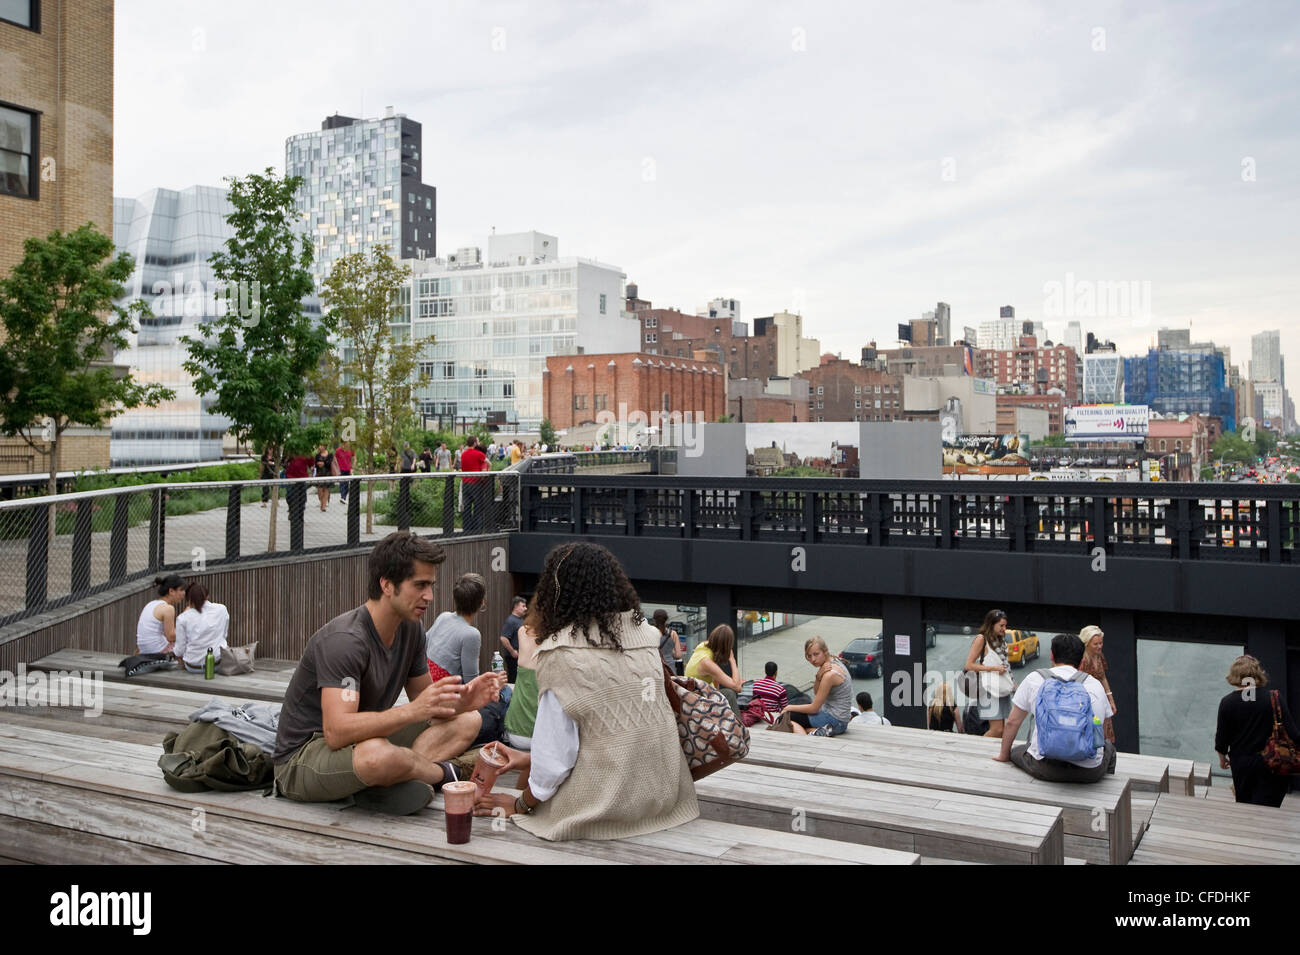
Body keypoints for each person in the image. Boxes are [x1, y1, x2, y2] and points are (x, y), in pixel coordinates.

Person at [471, 542, 699, 840]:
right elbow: (615, 737)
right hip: (664, 802)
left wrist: (519, 803)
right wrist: (528, 758)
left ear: (555, 592)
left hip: (600, 813)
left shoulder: (561, 653)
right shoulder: (647, 637)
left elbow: (555, 761)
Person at [271, 533, 505, 814]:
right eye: (420, 585)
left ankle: (383, 780)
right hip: (304, 758)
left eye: (430, 585)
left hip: (365, 740)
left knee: (467, 721)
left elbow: (429, 706)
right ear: (387, 585)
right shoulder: (346, 641)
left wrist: (466, 700)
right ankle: (444, 774)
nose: (429, 596)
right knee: (377, 756)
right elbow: (336, 732)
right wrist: (413, 712)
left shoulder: (410, 628)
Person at [995, 633, 1116, 783]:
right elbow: (1101, 733)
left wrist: (1004, 755)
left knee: (1017, 751)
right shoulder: (1095, 685)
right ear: (1081, 659)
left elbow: (1013, 722)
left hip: (1045, 767)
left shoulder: (1034, 678)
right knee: (1109, 748)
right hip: (1089, 773)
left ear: (1052, 655)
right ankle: (1109, 788)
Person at [1215, 655, 1300, 807]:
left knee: (1247, 808)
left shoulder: (1227, 702)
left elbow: (1222, 739)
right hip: (1274, 762)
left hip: (1242, 764)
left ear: (1234, 675)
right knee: (1269, 807)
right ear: (1258, 674)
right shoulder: (1274, 698)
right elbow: (1293, 734)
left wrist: (1222, 759)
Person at [781, 636, 853, 737]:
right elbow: (816, 692)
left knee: (787, 716)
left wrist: (788, 707)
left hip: (835, 721)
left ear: (825, 651)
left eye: (816, 654)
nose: (813, 659)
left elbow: (814, 708)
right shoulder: (833, 662)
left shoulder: (829, 674)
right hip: (840, 719)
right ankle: (815, 731)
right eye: (809, 656)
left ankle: (806, 739)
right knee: (800, 706)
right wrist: (818, 676)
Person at [425, 573, 486, 682]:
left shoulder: (443, 617)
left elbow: (422, 646)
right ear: (482, 602)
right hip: (447, 694)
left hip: (426, 686)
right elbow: (471, 682)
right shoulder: (472, 634)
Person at [964, 609, 1014, 738]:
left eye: (1005, 625)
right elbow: (969, 665)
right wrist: (994, 668)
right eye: (1001, 625)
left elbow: (1006, 667)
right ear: (992, 625)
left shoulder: (1000, 642)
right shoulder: (981, 639)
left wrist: (1014, 684)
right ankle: (976, 752)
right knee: (996, 730)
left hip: (1001, 688)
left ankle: (992, 754)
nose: (1004, 629)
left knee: (1001, 730)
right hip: (988, 688)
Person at [684, 625, 745, 711]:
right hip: (697, 699)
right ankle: (739, 724)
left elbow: (715, 679)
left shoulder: (703, 646)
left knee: (723, 695)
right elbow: (737, 688)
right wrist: (732, 660)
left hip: (697, 693)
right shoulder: (707, 663)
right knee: (729, 693)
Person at [173, 582, 230, 673]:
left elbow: (179, 650)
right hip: (217, 663)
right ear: (207, 596)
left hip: (193, 667)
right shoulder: (221, 609)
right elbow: (224, 635)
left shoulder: (183, 618)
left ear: (188, 601)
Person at [1077, 625, 1116, 745]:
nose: (1099, 646)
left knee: (1105, 730)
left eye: (1101, 643)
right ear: (1086, 643)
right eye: (1096, 644)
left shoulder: (1098, 655)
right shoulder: (1082, 661)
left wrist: (1110, 700)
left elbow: (1103, 677)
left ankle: (1103, 751)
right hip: (1088, 701)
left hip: (1101, 698)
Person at [137, 574, 185, 655]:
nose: (184, 593)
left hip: (143, 649)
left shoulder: (151, 604)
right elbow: (171, 637)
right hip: (157, 650)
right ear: (171, 591)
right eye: (181, 590)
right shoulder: (168, 609)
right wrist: (187, 628)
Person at [460, 436, 490, 534]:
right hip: (476, 483)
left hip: (465, 483)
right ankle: (477, 530)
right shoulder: (479, 454)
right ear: (474, 443)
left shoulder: (463, 454)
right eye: (477, 441)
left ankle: (467, 529)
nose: (479, 442)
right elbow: (488, 463)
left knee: (467, 507)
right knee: (478, 507)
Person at [746, 661, 788, 725]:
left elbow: (755, 700)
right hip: (773, 718)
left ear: (765, 671)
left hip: (758, 715)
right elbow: (785, 708)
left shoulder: (756, 684)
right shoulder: (780, 689)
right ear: (776, 672)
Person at [499, 596, 527, 684]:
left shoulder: (520, 620)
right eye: (523, 606)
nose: (525, 608)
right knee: (514, 680)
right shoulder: (511, 621)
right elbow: (503, 638)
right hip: (513, 658)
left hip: (520, 657)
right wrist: (512, 651)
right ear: (516, 607)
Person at [313, 443, 335, 512]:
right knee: (320, 490)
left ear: (325, 446)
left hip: (328, 474)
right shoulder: (317, 455)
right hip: (320, 474)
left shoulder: (330, 454)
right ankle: (322, 501)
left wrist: (323, 463)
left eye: (321, 445)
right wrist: (318, 464)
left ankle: (323, 506)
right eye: (319, 445)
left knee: (326, 489)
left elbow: (330, 463)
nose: (320, 447)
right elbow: (315, 464)